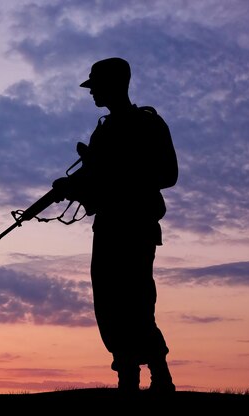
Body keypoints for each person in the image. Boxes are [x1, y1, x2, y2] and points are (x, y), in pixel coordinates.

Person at [54, 57, 178, 393]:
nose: (92, 92)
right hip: (107, 227)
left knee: (136, 302)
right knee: (109, 305)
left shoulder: (149, 125)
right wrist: (72, 188)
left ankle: (159, 373)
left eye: (96, 85)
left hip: (135, 226)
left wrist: (112, 172)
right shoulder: (103, 131)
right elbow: (95, 184)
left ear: (114, 84)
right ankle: (126, 375)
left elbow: (168, 175)